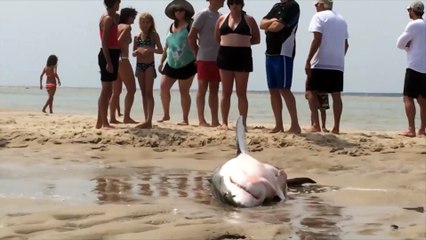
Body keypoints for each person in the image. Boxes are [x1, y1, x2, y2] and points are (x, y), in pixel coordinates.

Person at [305, 0, 349, 134]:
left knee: (311, 91)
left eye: (316, 4)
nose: (315, 7)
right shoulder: (342, 20)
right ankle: (336, 127)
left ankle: (316, 125)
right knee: (336, 95)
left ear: (322, 5)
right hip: (337, 64)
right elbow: (346, 45)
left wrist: (308, 60)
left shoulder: (319, 17)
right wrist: (339, 58)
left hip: (320, 62)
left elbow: (317, 39)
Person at [215, 0, 260, 129]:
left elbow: (257, 39)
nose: (235, 5)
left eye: (237, 3)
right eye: (232, 3)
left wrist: (242, 42)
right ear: (229, 5)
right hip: (225, 55)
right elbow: (217, 38)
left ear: (241, 5)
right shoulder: (222, 19)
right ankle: (224, 122)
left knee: (241, 92)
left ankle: (243, 123)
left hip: (242, 56)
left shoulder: (249, 19)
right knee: (225, 92)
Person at [260, 0, 301, 134]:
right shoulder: (277, 6)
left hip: (284, 52)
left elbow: (278, 27)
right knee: (273, 89)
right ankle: (279, 125)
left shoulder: (292, 6)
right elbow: (261, 24)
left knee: (284, 88)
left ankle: (295, 125)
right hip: (270, 52)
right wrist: (271, 22)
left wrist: (270, 23)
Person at [158, 0, 197, 125]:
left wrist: (198, 58)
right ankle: (166, 115)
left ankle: (185, 119)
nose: (178, 12)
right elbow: (167, 45)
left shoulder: (190, 25)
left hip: (188, 62)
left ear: (185, 12)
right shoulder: (171, 26)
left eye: (181, 10)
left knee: (183, 91)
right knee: (164, 87)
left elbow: (197, 42)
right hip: (171, 62)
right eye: (176, 10)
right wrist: (161, 61)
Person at [188, 0, 224, 127]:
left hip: (217, 58)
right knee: (202, 88)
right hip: (204, 57)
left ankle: (215, 120)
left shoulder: (221, 16)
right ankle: (201, 119)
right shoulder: (203, 14)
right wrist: (196, 51)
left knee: (214, 89)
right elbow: (191, 36)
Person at [396, 1, 426, 137]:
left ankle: (411, 128)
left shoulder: (413, 25)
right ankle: (423, 129)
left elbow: (400, 44)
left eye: (409, 10)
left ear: (412, 11)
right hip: (425, 66)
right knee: (423, 99)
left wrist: (408, 46)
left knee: (408, 97)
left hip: (414, 65)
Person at [133, 12, 163, 129]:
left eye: (147, 22)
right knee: (143, 93)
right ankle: (146, 119)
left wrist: (150, 49)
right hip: (139, 66)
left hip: (149, 65)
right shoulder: (137, 37)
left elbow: (161, 50)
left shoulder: (154, 35)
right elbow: (133, 52)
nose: (144, 25)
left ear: (151, 23)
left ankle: (149, 120)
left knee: (149, 93)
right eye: (142, 22)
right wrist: (137, 51)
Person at [109, 7, 138, 124]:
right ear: (128, 16)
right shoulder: (127, 27)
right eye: (133, 17)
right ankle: (126, 117)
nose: (134, 20)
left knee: (116, 92)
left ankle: (112, 118)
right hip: (122, 59)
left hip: (114, 59)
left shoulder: (116, 26)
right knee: (132, 89)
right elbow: (118, 42)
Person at [97, 0, 121, 129]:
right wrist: (109, 62)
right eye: (118, 3)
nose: (119, 5)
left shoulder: (114, 17)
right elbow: (104, 43)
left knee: (108, 90)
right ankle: (104, 122)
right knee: (106, 90)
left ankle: (99, 121)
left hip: (113, 53)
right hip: (108, 54)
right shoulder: (107, 19)